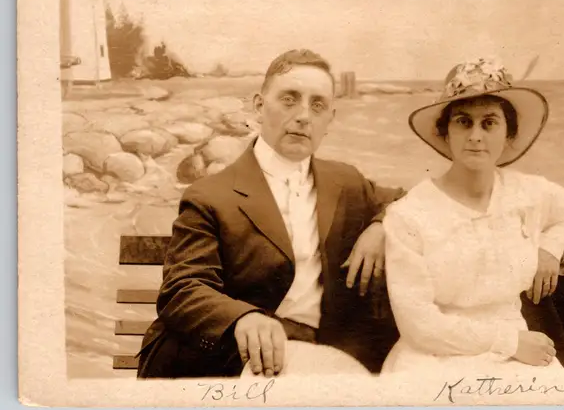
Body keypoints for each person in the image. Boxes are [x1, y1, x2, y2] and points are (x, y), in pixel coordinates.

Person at [136, 49, 405, 379]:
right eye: (289, 100)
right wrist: (243, 317)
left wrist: (381, 225)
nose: (303, 116)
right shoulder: (209, 195)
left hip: (320, 355)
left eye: (317, 105)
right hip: (232, 358)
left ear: (330, 119)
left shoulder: (346, 182)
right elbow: (182, 288)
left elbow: (405, 200)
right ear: (259, 106)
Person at [381, 58, 564, 375]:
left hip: (520, 353)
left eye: (490, 123)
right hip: (435, 357)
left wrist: (550, 247)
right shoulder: (410, 214)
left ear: (508, 134)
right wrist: (508, 342)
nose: (476, 135)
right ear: (445, 133)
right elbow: (419, 325)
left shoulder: (527, 193)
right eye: (463, 122)